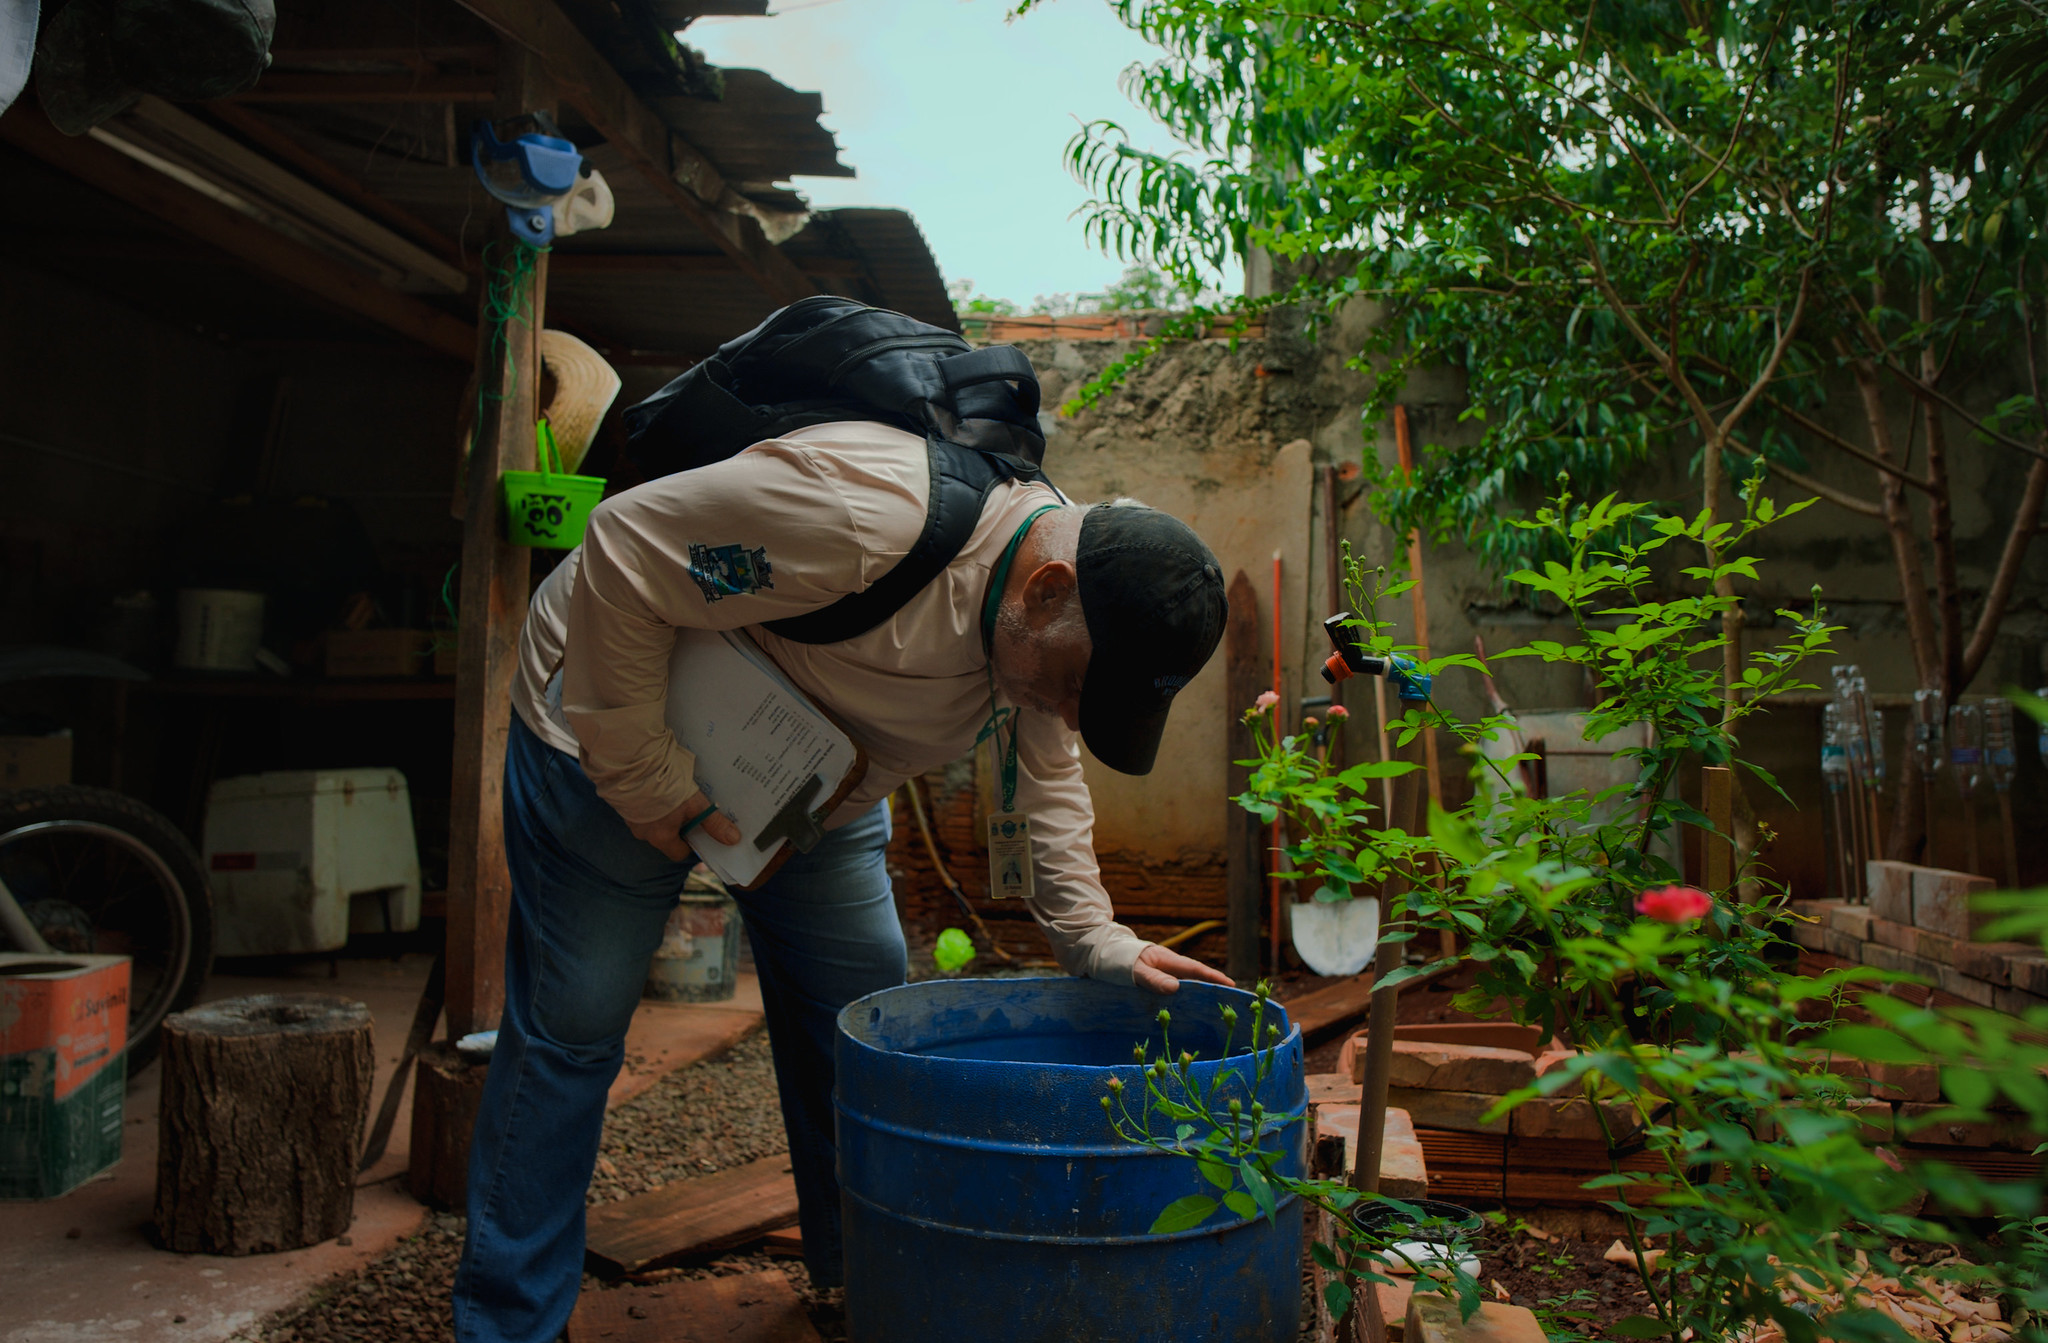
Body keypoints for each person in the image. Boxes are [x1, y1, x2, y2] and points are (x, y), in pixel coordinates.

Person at [452, 416, 1234, 1343]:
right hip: (612, 721)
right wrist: (652, 784)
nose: (1067, 712)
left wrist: (1094, 935)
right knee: (573, 1028)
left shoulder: (1059, 606)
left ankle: (861, 1279)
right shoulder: (859, 519)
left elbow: (1048, 769)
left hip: (810, 772)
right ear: (1045, 588)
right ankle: (507, 1326)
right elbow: (626, 546)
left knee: (858, 1023)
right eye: (1071, 683)